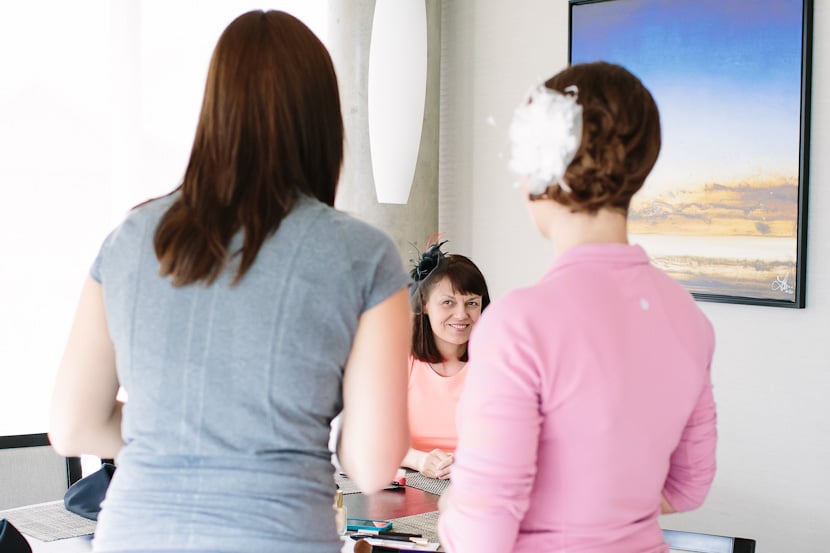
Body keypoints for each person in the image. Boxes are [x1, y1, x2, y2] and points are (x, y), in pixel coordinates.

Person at [48, 10, 411, 553]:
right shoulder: (365, 256)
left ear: (213, 110)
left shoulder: (130, 239)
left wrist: (179, 429)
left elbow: (73, 426)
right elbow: (374, 463)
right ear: (324, 120)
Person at [438, 61, 717, 553]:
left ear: (539, 173)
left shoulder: (517, 325)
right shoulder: (688, 318)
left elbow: (483, 528)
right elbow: (688, 486)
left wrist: (451, 512)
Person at [401, 239, 490, 479]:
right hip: (411, 486)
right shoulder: (401, 360)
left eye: (472, 303)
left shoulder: (498, 364)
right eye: (448, 302)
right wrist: (420, 460)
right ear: (425, 305)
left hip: (481, 485)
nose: (462, 315)